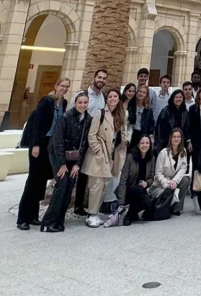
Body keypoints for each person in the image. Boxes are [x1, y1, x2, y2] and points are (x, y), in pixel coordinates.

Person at [17, 77, 70, 229]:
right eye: (62, 86)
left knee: (41, 181)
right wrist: (35, 144)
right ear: (56, 86)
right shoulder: (46, 101)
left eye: (67, 86)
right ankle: (22, 218)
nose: (64, 89)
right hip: (39, 143)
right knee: (33, 180)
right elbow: (37, 123)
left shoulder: (64, 103)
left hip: (50, 144)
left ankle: (33, 216)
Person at [40, 92, 90, 232]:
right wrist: (61, 164)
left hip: (73, 158)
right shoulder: (66, 117)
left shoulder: (87, 119)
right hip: (58, 155)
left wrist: (77, 164)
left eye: (85, 103)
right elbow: (58, 141)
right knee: (61, 186)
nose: (82, 105)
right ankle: (48, 221)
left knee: (69, 187)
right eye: (80, 102)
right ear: (75, 103)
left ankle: (59, 220)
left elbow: (84, 144)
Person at [83, 88, 126, 227]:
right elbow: (92, 134)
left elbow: (120, 134)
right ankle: (91, 214)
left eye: (115, 96)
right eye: (110, 96)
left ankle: (95, 212)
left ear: (119, 99)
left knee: (103, 186)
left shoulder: (120, 115)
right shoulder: (100, 113)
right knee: (96, 185)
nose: (112, 99)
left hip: (112, 155)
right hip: (100, 155)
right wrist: (98, 150)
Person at [152, 127, 190, 216]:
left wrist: (175, 181)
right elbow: (158, 174)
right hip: (162, 184)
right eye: (174, 137)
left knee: (186, 180)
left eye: (178, 137)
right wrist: (168, 183)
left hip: (173, 181)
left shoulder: (183, 151)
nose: (176, 139)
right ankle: (165, 206)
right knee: (168, 190)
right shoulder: (163, 153)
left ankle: (176, 208)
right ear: (170, 138)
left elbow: (183, 168)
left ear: (181, 139)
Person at [118, 134, 155, 225]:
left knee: (149, 205)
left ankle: (132, 213)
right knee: (138, 190)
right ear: (138, 145)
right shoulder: (130, 157)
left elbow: (151, 178)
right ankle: (129, 214)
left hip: (142, 191)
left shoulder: (152, 158)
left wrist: (147, 183)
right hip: (129, 191)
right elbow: (123, 180)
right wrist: (121, 203)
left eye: (147, 143)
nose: (145, 145)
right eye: (142, 143)